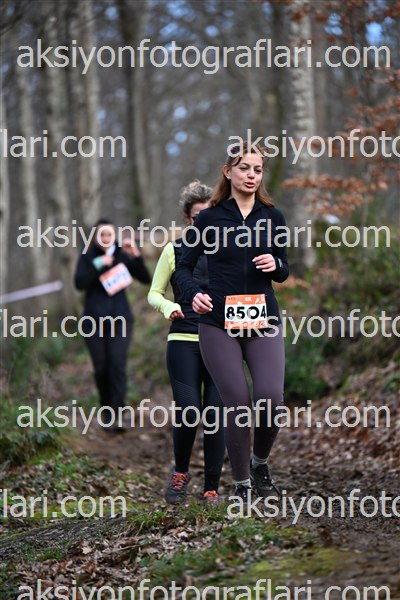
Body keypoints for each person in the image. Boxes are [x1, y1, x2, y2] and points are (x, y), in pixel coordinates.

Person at [175, 145, 289, 501]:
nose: (251, 175)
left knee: (271, 398)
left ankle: (259, 463)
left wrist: (276, 265)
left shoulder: (273, 217)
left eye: (257, 169)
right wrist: (194, 293)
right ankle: (241, 486)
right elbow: (183, 267)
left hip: (262, 318)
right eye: (244, 168)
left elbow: (284, 269)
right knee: (237, 403)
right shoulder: (209, 219)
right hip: (218, 322)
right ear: (228, 171)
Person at [148, 181, 225, 505]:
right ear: (187, 219)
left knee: (216, 414)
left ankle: (211, 488)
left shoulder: (230, 249)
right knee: (189, 410)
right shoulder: (174, 250)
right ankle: (180, 473)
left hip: (222, 341)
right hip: (184, 340)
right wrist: (169, 307)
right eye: (198, 218)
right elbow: (154, 293)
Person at [75, 219, 151, 432]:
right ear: (95, 238)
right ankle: (106, 409)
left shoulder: (122, 253)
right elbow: (79, 283)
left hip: (120, 319)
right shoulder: (88, 256)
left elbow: (145, 278)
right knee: (101, 367)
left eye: (109, 234)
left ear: (114, 235)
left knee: (117, 364)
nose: (106, 238)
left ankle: (117, 414)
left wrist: (136, 256)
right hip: (93, 321)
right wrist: (99, 264)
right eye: (102, 235)